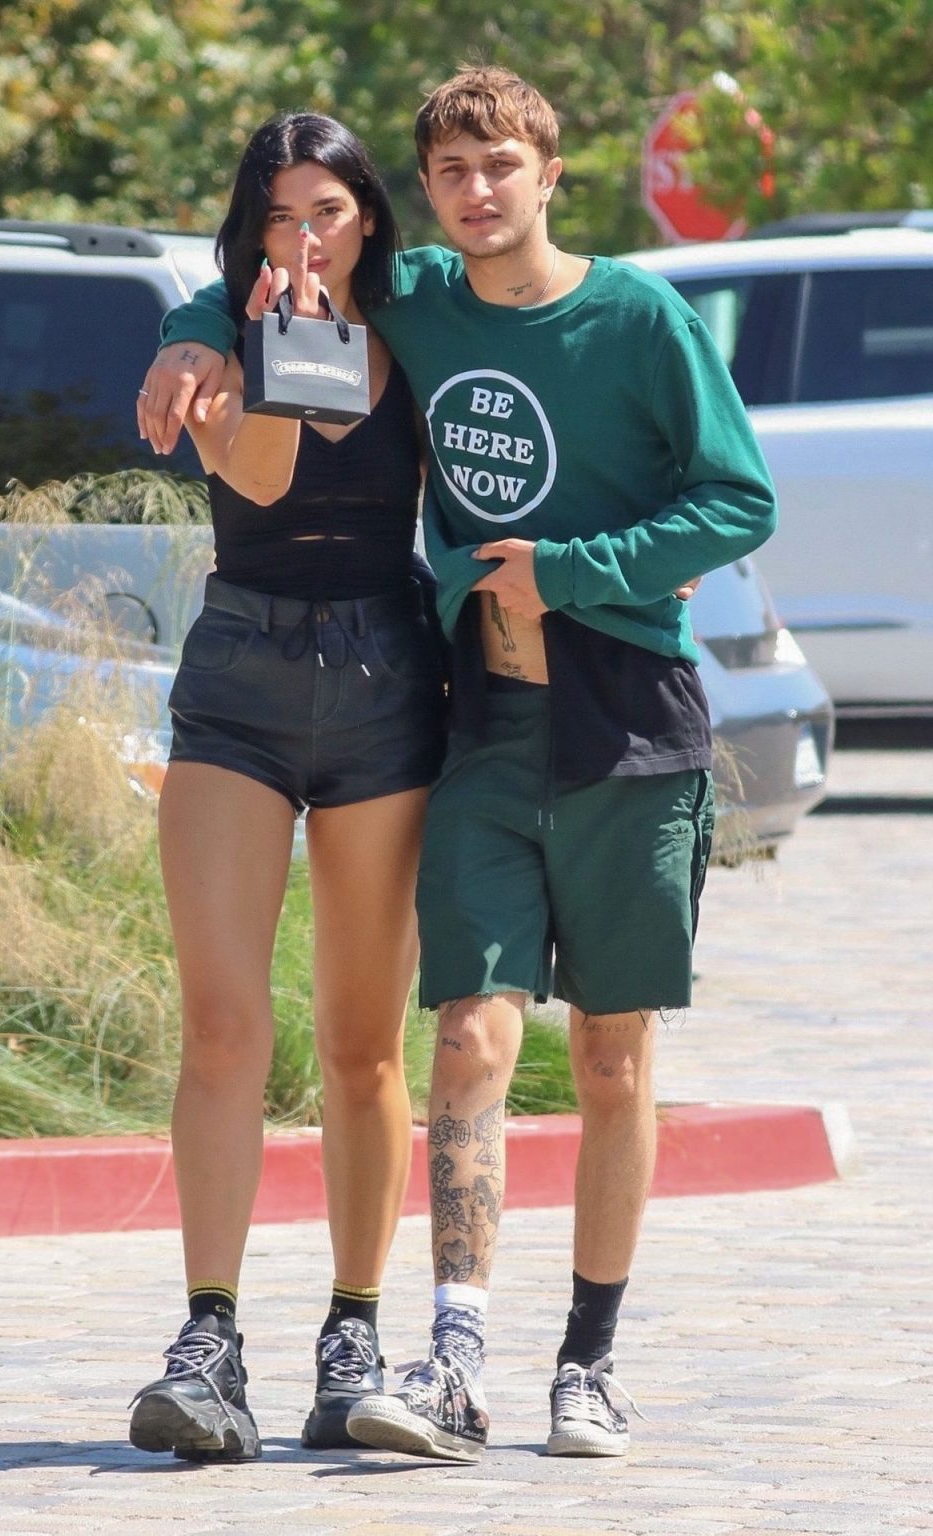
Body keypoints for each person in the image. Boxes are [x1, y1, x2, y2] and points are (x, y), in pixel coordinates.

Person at [141, 67, 777, 1464]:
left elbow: (739, 496)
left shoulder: (589, 314)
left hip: (546, 701)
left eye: (499, 167)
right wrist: (202, 324)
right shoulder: (365, 306)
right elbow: (261, 396)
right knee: (432, 1030)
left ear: (548, 175)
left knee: (574, 1054)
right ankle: (347, 1348)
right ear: (421, 195)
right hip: (401, 703)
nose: (476, 193)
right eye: (452, 172)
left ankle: (515, 1354)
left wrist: (578, 570)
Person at [127, 111, 446, 1463]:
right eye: (278, 215)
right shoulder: (224, 343)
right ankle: (209, 1341)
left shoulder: (424, 319)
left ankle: (353, 1333)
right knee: (222, 1025)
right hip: (242, 675)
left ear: (369, 216)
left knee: (365, 1042)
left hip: (386, 674)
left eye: (327, 210)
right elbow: (259, 480)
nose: (305, 236)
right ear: (250, 231)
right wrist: (257, 348)